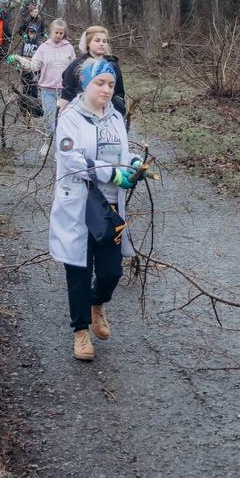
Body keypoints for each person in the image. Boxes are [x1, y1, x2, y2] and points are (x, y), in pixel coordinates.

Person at [48, 58, 151, 361]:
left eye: (110, 84)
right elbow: (72, 160)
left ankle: (97, 303)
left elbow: (122, 151)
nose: (107, 89)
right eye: (100, 83)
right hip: (79, 206)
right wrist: (111, 173)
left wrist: (132, 164)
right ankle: (80, 332)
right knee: (79, 269)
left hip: (110, 207)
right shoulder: (69, 118)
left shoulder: (116, 116)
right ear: (85, 84)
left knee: (110, 272)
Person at [8, 18, 74, 140]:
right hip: (47, 90)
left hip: (64, 91)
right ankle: (49, 142)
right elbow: (34, 66)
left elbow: (73, 68)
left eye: (61, 33)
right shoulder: (44, 48)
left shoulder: (69, 48)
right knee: (49, 119)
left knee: (63, 120)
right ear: (51, 32)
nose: (59, 35)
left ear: (64, 33)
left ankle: (61, 145)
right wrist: (18, 59)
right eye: (56, 32)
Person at [57, 25, 127, 123]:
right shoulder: (77, 65)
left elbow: (119, 93)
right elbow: (67, 93)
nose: (101, 44)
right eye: (97, 41)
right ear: (88, 43)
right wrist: (60, 117)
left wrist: (118, 115)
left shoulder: (112, 65)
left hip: (108, 116)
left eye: (104, 41)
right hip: (81, 117)